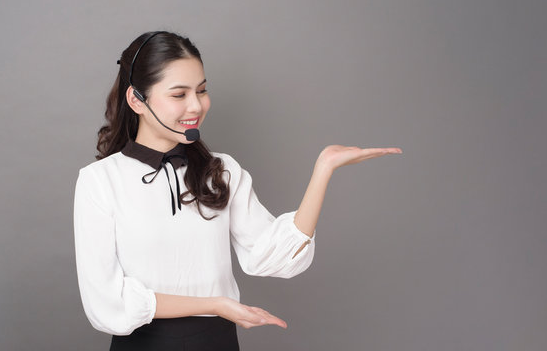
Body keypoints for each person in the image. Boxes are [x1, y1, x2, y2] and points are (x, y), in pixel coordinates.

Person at [73, 30, 402, 350]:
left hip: (216, 342)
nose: (196, 106)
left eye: (201, 91)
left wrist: (323, 169)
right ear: (136, 99)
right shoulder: (100, 181)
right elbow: (106, 301)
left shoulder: (221, 170)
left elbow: (273, 255)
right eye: (179, 94)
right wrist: (216, 303)